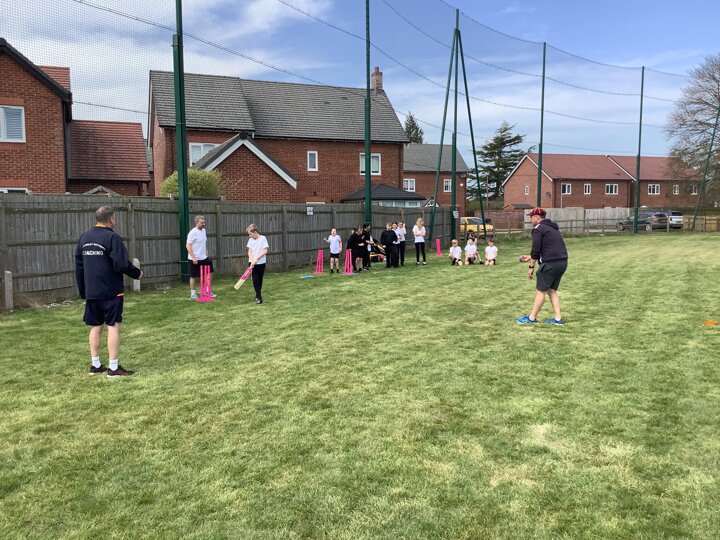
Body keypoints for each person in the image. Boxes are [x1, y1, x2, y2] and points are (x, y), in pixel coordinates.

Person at [75, 206, 142, 378]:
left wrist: (84, 290)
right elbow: (121, 264)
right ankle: (113, 368)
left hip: (92, 291)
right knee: (113, 326)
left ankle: (95, 364)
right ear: (111, 219)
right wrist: (137, 273)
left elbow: (79, 266)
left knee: (96, 325)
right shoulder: (113, 237)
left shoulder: (84, 237)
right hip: (111, 290)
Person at [517, 208, 568, 325]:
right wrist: (531, 257)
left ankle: (532, 318)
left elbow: (536, 249)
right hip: (562, 263)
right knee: (551, 290)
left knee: (540, 291)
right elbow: (549, 248)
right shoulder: (553, 228)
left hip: (549, 264)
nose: (530, 219)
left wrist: (531, 267)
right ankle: (558, 319)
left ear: (537, 217)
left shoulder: (538, 229)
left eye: (531, 217)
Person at [186, 215, 216, 300]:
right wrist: (193, 257)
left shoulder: (203, 231)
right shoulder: (192, 232)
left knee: (210, 271)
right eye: (201, 222)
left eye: (204, 222)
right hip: (194, 258)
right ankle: (193, 294)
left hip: (203, 257)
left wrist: (206, 249)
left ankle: (207, 290)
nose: (203, 224)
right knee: (193, 276)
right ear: (196, 223)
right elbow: (188, 245)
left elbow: (203, 242)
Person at [246, 223, 269, 304]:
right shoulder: (250, 240)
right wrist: (252, 260)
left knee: (259, 280)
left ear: (255, 232)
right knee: (255, 280)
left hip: (261, 263)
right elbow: (249, 251)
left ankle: (257, 294)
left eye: (250, 234)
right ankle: (259, 297)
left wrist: (256, 258)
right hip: (252, 263)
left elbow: (265, 250)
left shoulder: (263, 238)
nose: (249, 236)